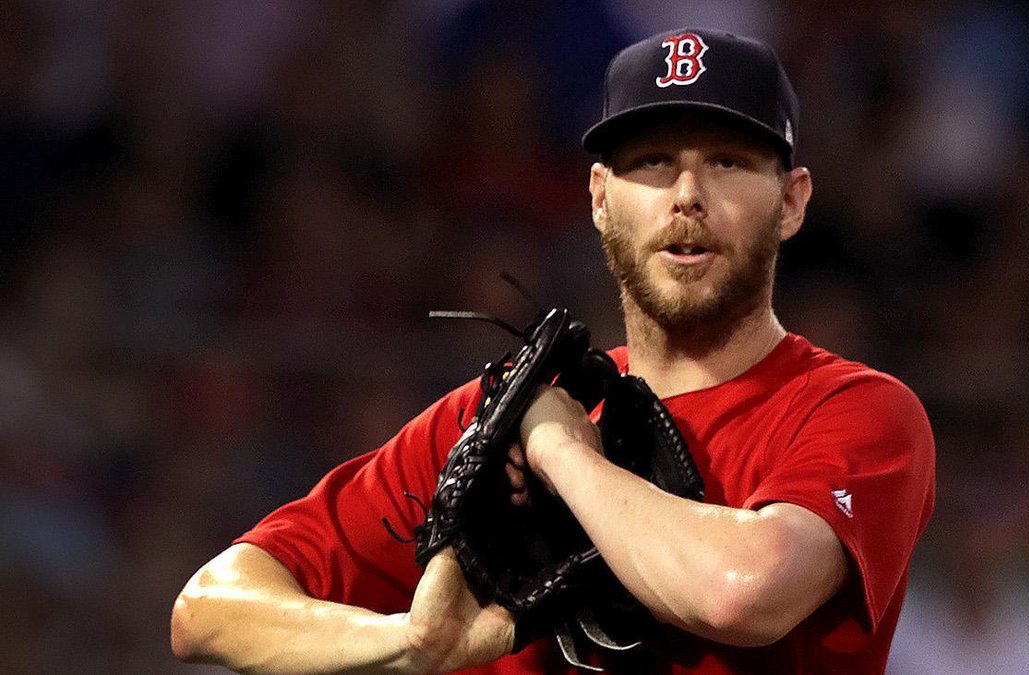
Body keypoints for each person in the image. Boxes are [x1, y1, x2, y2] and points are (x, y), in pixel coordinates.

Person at [171, 28, 935, 674]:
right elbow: (208, 606)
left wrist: (562, 455)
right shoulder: (500, 414)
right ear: (600, 197)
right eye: (651, 161)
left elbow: (742, 591)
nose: (687, 194)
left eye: (728, 161)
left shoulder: (858, 412)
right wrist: (412, 642)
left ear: (792, 201)